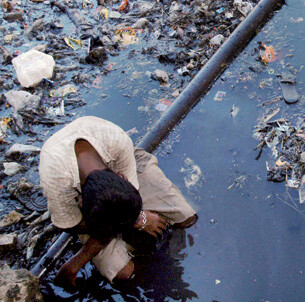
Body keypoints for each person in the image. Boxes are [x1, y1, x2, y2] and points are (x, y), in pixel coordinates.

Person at [39, 116, 197, 287]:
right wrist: (136, 223)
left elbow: (129, 200)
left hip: (126, 164)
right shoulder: (56, 181)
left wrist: (139, 218)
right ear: (83, 203)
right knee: (125, 274)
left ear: (121, 177)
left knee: (186, 217)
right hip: (90, 209)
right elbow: (69, 225)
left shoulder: (116, 141)